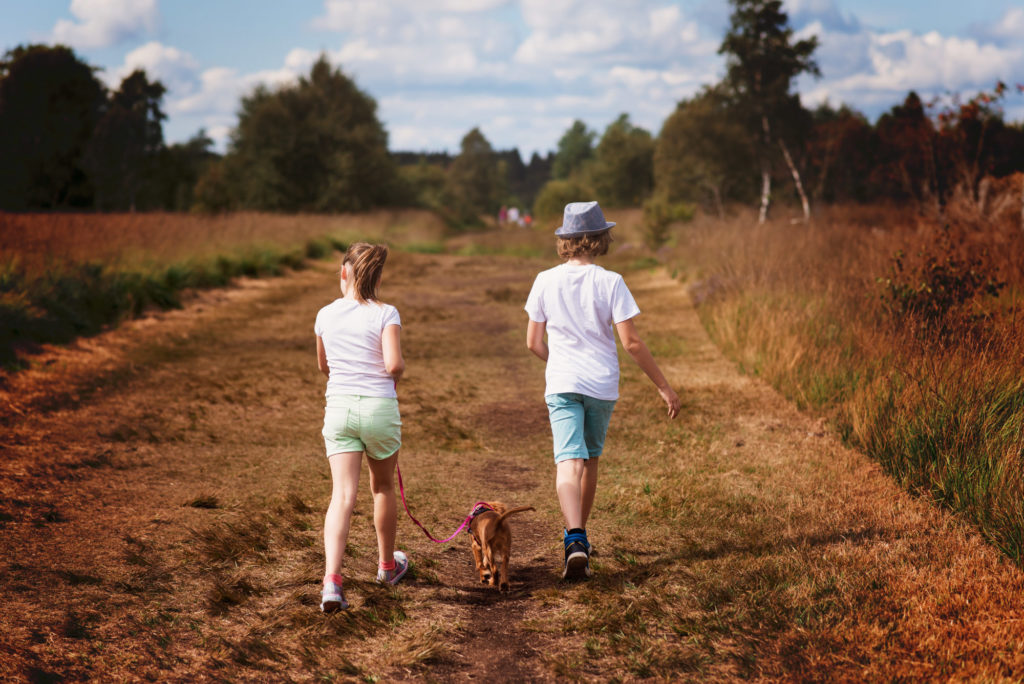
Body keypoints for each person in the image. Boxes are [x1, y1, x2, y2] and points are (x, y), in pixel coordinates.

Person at [524, 201, 681, 580]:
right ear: (598, 240)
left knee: (567, 460)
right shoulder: (611, 282)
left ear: (566, 240)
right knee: (589, 461)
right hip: (600, 384)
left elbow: (532, 342)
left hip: (562, 383)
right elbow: (632, 343)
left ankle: (574, 538)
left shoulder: (544, 279)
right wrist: (664, 387)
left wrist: (559, 365)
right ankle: (578, 538)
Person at [315, 242, 409, 613]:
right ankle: (387, 566)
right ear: (379, 278)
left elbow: (324, 366)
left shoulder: (324, 314)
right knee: (383, 487)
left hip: (338, 409)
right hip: (378, 409)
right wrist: (395, 373)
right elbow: (394, 364)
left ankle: (332, 582)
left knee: (342, 496)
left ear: (343, 274)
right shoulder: (387, 313)